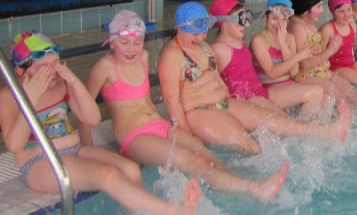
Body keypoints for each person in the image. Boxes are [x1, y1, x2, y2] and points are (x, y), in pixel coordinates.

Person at [84, 11, 289, 204]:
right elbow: (83, 110)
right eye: (124, 43)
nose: (131, 49)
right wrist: (88, 150)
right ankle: (255, 189)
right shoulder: (105, 67)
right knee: (192, 161)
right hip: (135, 136)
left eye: (137, 42)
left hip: (160, 126)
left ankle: (237, 192)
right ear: (111, 41)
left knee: (209, 157)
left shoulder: (143, 57)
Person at [0, 31, 200, 215]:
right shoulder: (8, 97)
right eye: (43, 68)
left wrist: (73, 81)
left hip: (74, 149)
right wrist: (31, 97)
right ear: (20, 71)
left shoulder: (61, 83)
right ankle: (173, 212)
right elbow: (15, 146)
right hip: (38, 161)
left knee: (131, 169)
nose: (52, 72)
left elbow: (93, 118)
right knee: (107, 175)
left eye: (55, 64)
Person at [207, 0, 352, 142]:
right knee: (283, 121)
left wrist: (283, 44)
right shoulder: (218, 49)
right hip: (247, 97)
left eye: (247, 18)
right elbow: (213, 78)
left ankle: (312, 135)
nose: (246, 24)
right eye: (240, 19)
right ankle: (320, 133)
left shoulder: (239, 42)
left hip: (258, 92)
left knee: (294, 115)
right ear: (222, 22)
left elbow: (293, 72)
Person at [287, 0, 357, 114]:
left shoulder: (308, 23)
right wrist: (331, 49)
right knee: (344, 101)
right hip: (307, 75)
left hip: (321, 71)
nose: (322, 11)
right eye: (319, 6)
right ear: (307, 9)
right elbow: (305, 64)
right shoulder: (297, 28)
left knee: (352, 92)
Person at [250, 0, 329, 117]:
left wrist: (283, 44)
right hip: (268, 90)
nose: (279, 24)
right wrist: (299, 56)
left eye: (283, 19)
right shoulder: (259, 40)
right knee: (316, 92)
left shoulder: (289, 38)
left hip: (288, 85)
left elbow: (293, 72)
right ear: (266, 17)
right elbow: (272, 73)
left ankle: (303, 124)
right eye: (274, 18)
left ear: (288, 20)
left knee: (326, 99)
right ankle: (299, 126)